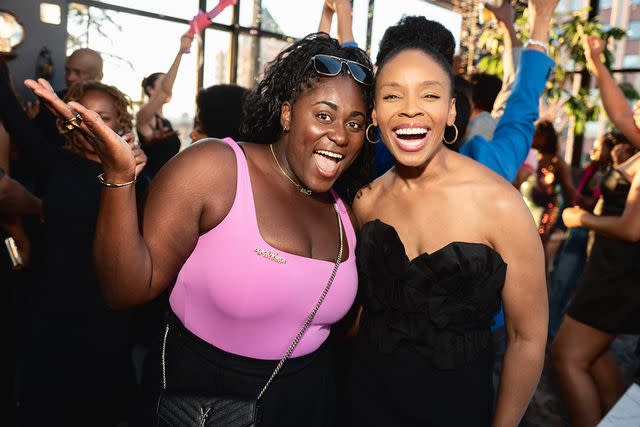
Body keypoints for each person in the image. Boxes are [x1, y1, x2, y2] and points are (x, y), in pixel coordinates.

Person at [25, 32, 374, 427]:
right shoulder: (215, 168)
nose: (341, 136)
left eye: (355, 123)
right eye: (324, 115)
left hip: (308, 403)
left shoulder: (344, 209)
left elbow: (336, 323)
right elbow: (124, 290)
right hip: (203, 404)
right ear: (288, 113)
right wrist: (120, 178)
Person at [343, 1, 556, 425]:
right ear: (374, 112)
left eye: (429, 93)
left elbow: (527, 336)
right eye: (391, 95)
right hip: (362, 399)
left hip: (458, 407)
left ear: (452, 108)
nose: (409, 108)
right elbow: (358, 311)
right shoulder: (363, 199)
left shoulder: (500, 203)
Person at [2, 77, 147, 426]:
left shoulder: (135, 173)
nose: (92, 123)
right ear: (67, 122)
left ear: (120, 122)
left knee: (101, 402)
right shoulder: (54, 161)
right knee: (46, 400)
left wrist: (129, 173)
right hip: (51, 299)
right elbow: (10, 113)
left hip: (105, 304)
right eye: (81, 115)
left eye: (104, 117)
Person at [552, 144, 640, 426]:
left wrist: (582, 219)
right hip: (607, 270)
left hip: (618, 276)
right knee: (594, 358)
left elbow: (632, 229)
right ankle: (620, 422)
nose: (636, 105)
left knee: (565, 356)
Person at [546, 131, 622, 337]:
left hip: (595, 236)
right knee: (560, 282)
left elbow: (591, 204)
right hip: (578, 232)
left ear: (612, 149)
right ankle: (550, 332)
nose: (593, 149)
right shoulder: (591, 170)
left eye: (599, 146)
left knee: (579, 290)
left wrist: (569, 188)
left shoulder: (616, 178)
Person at [137, 32, 194, 179]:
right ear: (150, 90)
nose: (169, 86)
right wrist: (181, 52)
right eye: (163, 82)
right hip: (150, 183)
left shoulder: (164, 121)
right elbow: (165, 90)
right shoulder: (143, 115)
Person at [520, 120, 576, 250]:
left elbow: (569, 191)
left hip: (545, 213)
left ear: (545, 138)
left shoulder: (557, 162)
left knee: (538, 248)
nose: (531, 137)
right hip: (528, 207)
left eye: (536, 135)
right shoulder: (532, 157)